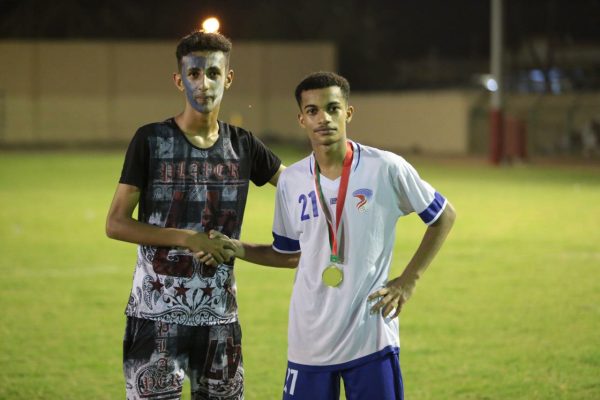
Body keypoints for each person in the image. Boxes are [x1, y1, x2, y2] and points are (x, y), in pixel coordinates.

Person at [227, 71, 456, 400]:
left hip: (370, 336)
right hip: (309, 340)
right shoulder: (291, 181)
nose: (324, 118)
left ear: (348, 112)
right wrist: (237, 248)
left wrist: (409, 280)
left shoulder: (385, 168)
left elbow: (443, 216)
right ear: (302, 119)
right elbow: (288, 255)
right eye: (313, 111)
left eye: (333, 108)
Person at [105, 30, 284, 400]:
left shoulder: (243, 145)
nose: (204, 84)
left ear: (228, 78)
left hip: (220, 319)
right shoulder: (151, 140)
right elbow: (116, 223)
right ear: (179, 80)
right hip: (155, 316)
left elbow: (301, 188)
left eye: (214, 73)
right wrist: (187, 238)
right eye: (194, 74)